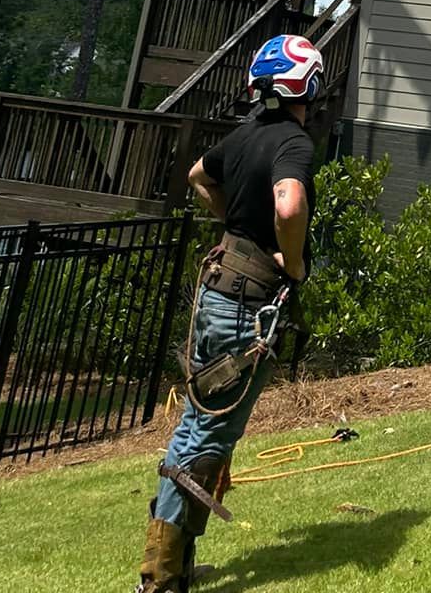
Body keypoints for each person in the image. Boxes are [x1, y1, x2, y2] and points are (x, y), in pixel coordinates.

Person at [136, 32, 323, 593]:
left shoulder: (241, 138)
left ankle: (177, 563)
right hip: (247, 305)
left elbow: (198, 176)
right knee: (203, 435)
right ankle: (160, 577)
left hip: (218, 293)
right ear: (305, 86)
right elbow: (288, 204)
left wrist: (232, 226)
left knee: (206, 429)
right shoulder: (294, 143)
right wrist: (292, 265)